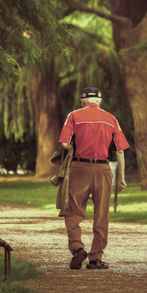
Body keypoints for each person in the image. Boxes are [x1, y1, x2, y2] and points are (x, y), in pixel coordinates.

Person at [59, 87, 129, 270]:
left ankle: (77, 248)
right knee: (101, 214)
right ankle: (95, 258)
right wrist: (121, 178)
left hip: (79, 168)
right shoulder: (111, 119)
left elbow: (65, 143)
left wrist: (74, 149)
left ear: (82, 101)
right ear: (100, 101)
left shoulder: (73, 116)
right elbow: (120, 151)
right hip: (103, 169)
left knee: (73, 212)